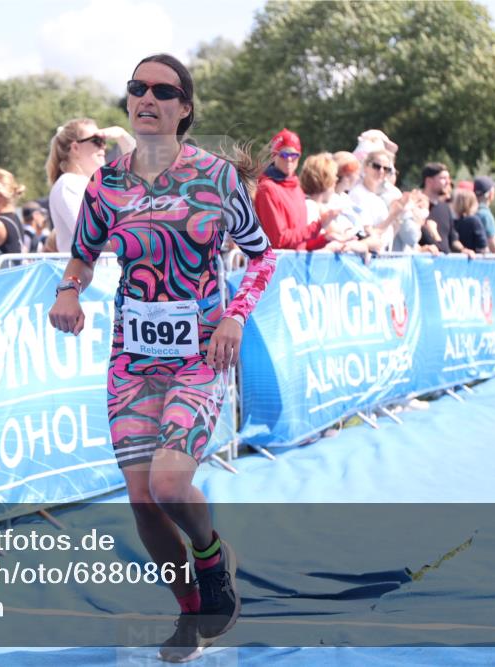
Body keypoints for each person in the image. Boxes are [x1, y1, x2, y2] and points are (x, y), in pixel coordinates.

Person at [48, 53, 275, 662]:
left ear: (184, 108)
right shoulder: (106, 184)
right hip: (132, 356)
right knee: (142, 499)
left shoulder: (217, 177)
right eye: (136, 88)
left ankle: (210, 557)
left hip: (199, 352)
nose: (146, 98)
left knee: (171, 484)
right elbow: (83, 254)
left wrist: (234, 315)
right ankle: (191, 615)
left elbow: (262, 257)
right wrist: (68, 290)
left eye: (162, 91)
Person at [46, 118, 136, 255]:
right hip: (92, 274)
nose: (103, 146)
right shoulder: (68, 184)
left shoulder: (97, 184)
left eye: (103, 141)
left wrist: (121, 135)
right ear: (75, 148)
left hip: (106, 272)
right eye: (97, 140)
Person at [256, 128, 334, 250]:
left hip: (294, 264)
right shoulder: (267, 188)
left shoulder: (296, 187)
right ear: (273, 156)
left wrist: (326, 239)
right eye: (284, 154)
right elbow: (278, 241)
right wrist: (318, 225)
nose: (289, 159)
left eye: (294, 155)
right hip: (278, 266)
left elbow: (300, 245)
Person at [418, 162, 467, 256]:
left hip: (444, 265)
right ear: (429, 181)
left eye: (448, 178)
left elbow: (453, 239)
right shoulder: (417, 206)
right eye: (443, 178)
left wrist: (464, 250)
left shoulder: (445, 207)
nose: (448, 182)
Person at [451, 189, 488, 253]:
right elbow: (482, 246)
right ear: (473, 203)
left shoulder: (452, 222)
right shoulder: (474, 221)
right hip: (472, 259)